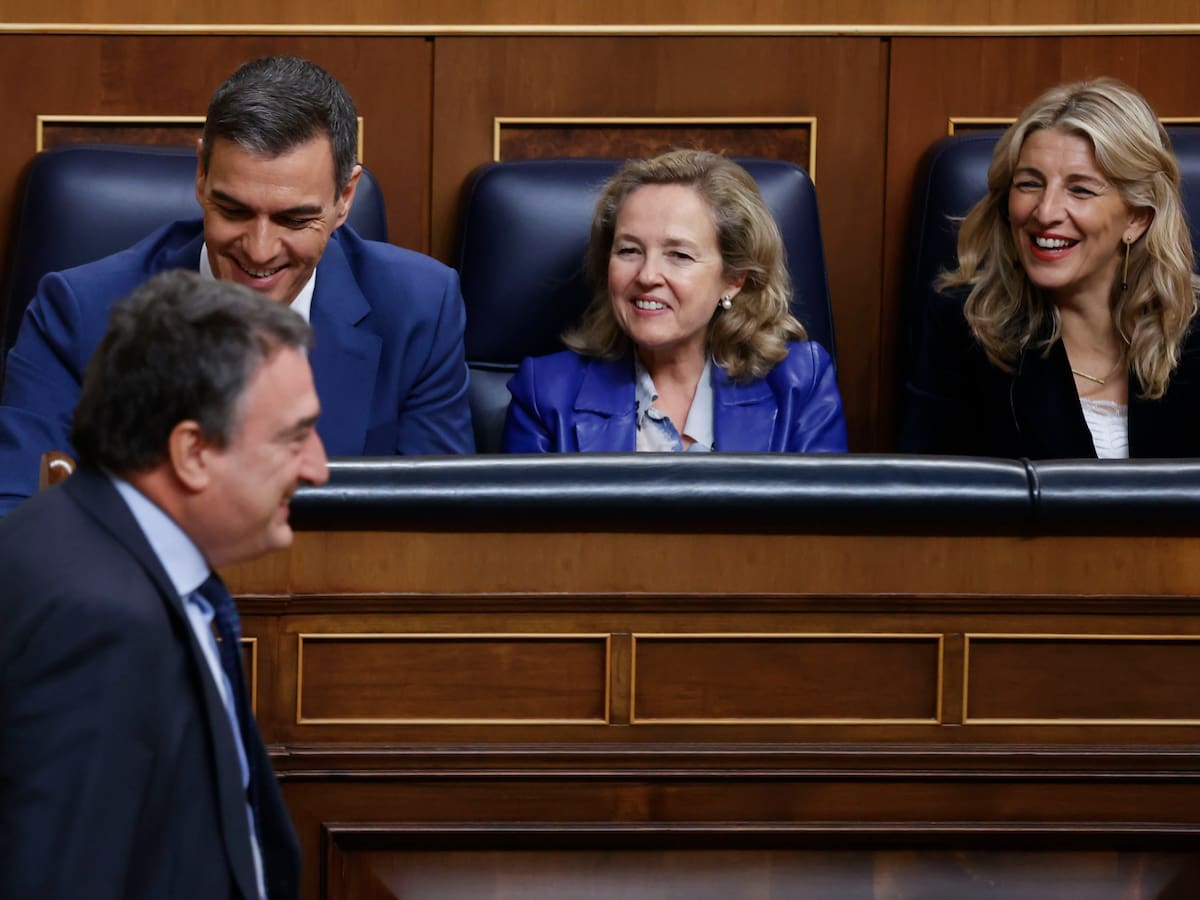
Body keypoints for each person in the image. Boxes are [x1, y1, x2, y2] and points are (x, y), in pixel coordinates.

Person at [0, 54, 473, 516]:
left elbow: (440, 527)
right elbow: (18, 520)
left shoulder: (419, 309)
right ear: (202, 176)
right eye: (234, 211)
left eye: (294, 220)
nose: (260, 250)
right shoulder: (78, 313)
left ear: (344, 198)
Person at [0, 270, 324, 900]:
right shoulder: (100, 623)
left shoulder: (82, 543)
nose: (317, 467)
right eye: (294, 437)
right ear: (192, 452)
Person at [899, 78, 1200, 458]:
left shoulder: (1192, 328)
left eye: (1080, 190)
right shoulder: (964, 326)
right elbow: (928, 485)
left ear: (1137, 218)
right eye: (1029, 184)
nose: (1045, 212)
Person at [502, 149, 847, 453]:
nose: (647, 275)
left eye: (679, 255)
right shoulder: (544, 393)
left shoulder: (800, 384)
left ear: (734, 279)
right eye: (629, 250)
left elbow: (819, 509)